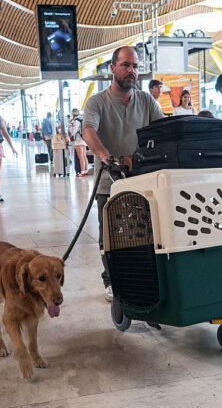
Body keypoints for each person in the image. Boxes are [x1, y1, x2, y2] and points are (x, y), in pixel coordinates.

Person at [83, 46, 165, 302]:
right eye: (126, 65)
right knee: (110, 235)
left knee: (144, 233)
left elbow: (161, 130)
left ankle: (142, 276)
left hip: (143, 182)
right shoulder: (97, 102)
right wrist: (106, 156)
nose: (132, 71)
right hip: (109, 182)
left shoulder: (146, 100)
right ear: (112, 69)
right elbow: (88, 131)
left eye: (136, 66)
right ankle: (111, 280)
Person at [68, 108, 89, 177]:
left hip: (78, 140)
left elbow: (74, 131)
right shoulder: (83, 119)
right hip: (83, 139)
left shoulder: (76, 120)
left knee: (81, 157)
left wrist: (70, 127)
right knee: (84, 156)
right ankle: (86, 170)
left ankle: (82, 172)